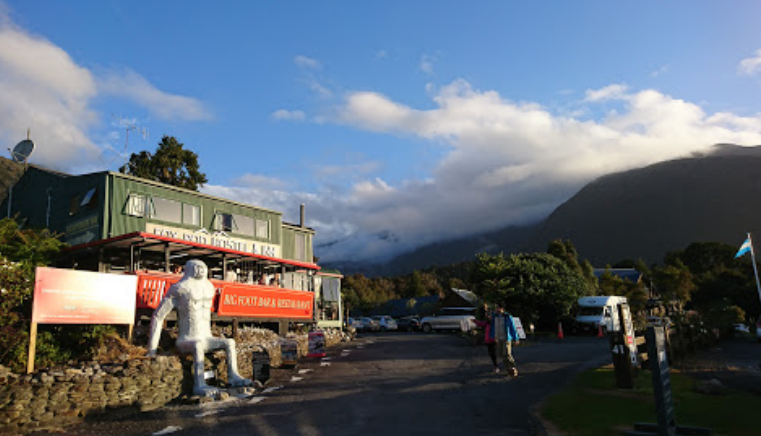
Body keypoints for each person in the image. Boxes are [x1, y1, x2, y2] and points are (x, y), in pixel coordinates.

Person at [148, 259, 253, 396]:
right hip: (186, 340)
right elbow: (158, 316)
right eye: (198, 267)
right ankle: (199, 385)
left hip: (206, 337)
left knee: (230, 342)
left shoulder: (209, 287)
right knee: (198, 345)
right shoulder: (179, 288)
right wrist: (152, 350)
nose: (202, 270)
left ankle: (233, 376)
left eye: (203, 267)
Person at [490, 304, 520, 377]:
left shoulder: (507, 317)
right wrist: (493, 336)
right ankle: (508, 369)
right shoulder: (495, 317)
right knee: (501, 354)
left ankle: (513, 367)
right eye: (496, 308)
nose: (496, 309)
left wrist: (516, 338)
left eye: (497, 308)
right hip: (498, 338)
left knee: (507, 353)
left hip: (506, 338)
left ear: (501, 308)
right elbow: (493, 327)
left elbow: (513, 328)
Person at [473, 304, 499, 373]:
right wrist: (474, 321)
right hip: (488, 341)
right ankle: (495, 366)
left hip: (493, 340)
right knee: (491, 354)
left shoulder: (494, 323)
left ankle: (496, 366)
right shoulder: (487, 323)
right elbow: (480, 324)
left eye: (490, 316)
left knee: (493, 354)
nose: (488, 317)